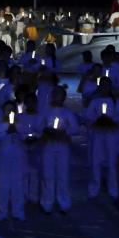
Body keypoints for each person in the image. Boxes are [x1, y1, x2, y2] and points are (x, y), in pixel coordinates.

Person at [40, 85, 77, 214]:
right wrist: (47, 131)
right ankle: (47, 203)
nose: (56, 97)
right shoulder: (46, 111)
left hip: (62, 146)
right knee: (48, 175)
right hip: (49, 145)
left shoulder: (67, 112)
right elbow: (39, 125)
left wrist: (64, 132)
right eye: (54, 94)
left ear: (64, 97)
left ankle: (64, 203)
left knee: (62, 175)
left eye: (59, 95)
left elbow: (74, 127)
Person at [85, 79, 119, 199]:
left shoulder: (114, 101)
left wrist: (111, 120)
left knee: (111, 161)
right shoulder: (95, 101)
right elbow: (88, 115)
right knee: (96, 161)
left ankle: (113, 187)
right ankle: (94, 186)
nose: (104, 88)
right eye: (102, 86)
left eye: (107, 86)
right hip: (98, 134)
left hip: (110, 134)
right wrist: (97, 120)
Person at [0, 101, 27, 222]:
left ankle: (18, 211)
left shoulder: (21, 125)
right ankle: (2, 212)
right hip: (4, 157)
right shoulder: (0, 125)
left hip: (18, 156)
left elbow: (26, 137)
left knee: (18, 183)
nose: (9, 112)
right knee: (3, 184)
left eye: (12, 110)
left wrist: (17, 132)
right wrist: (5, 132)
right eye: (7, 109)